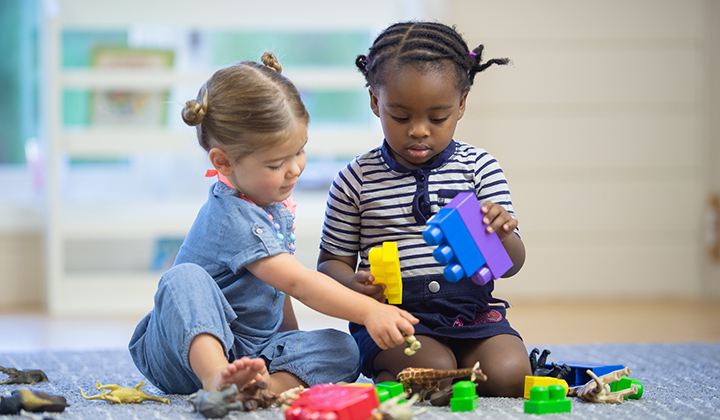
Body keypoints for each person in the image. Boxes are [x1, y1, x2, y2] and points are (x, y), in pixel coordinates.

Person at [129, 52, 418, 395]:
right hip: (180, 352)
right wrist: (369, 311)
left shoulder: (270, 206)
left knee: (344, 349)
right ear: (224, 162)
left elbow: (278, 291)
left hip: (250, 351)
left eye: (300, 151)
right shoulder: (232, 216)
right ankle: (217, 380)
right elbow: (298, 282)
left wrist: (290, 346)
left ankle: (264, 387)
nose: (295, 168)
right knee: (183, 278)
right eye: (277, 162)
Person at [317, 22, 531, 398]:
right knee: (436, 374)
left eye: (437, 117)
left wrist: (502, 236)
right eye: (400, 117)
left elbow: (510, 265)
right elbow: (330, 264)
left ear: (461, 105)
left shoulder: (479, 167)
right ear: (374, 102)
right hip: (394, 319)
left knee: (511, 376)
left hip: (473, 312)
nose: (418, 130)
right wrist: (354, 286)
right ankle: (402, 369)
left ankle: (454, 364)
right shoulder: (355, 179)